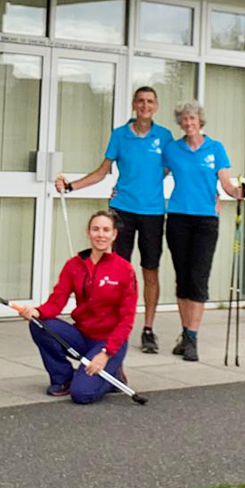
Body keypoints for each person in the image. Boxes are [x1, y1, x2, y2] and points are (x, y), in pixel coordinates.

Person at [55, 87, 172, 354]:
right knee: (117, 272)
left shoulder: (164, 136)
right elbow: (101, 172)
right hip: (122, 211)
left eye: (150, 101)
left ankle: (148, 329)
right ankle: (116, 327)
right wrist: (71, 187)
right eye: (141, 101)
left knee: (150, 270)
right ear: (134, 105)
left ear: (156, 106)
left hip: (153, 211)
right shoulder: (120, 135)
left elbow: (175, 167)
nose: (145, 105)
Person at [20, 210, 138, 404]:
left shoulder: (124, 269)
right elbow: (57, 301)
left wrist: (106, 353)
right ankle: (63, 378)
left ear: (114, 235)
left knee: (82, 395)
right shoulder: (74, 265)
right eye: (96, 229)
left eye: (106, 230)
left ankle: (113, 377)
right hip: (82, 336)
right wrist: (37, 312)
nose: (101, 235)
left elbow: (127, 319)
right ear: (88, 232)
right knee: (38, 324)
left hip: (108, 343)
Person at [162, 100, 245, 362]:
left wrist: (237, 193)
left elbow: (227, 184)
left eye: (193, 119)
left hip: (205, 221)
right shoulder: (172, 149)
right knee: (182, 278)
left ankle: (192, 338)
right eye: (184, 120)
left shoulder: (215, 148)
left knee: (198, 278)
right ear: (180, 123)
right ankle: (186, 335)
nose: (189, 123)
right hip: (177, 218)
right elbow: (153, 177)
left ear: (200, 121)